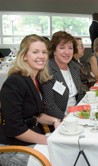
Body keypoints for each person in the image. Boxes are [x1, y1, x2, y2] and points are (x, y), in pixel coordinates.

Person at [0, 34, 61, 165]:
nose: (41, 56)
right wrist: (48, 140)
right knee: (61, 157)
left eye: (44, 52)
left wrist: (54, 120)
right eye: (35, 52)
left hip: (31, 141)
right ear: (24, 56)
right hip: (12, 148)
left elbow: (36, 115)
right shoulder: (15, 82)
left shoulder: (35, 79)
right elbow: (16, 129)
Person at [42, 31, 85, 120]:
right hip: (59, 120)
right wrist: (65, 118)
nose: (67, 52)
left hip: (77, 115)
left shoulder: (74, 67)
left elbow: (80, 93)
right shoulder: (48, 70)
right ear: (54, 50)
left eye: (70, 48)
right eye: (62, 48)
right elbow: (49, 105)